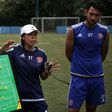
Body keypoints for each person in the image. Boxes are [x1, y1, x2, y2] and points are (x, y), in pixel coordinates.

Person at [0, 24, 60, 112]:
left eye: (35, 35)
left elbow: (43, 77)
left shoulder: (41, 54)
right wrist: (1, 50)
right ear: (23, 37)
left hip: (36, 96)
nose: (33, 37)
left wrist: (47, 72)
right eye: (30, 35)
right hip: (18, 98)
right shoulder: (15, 50)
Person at [65, 1, 109, 112]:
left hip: (96, 78)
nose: (93, 17)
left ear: (100, 16)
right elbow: (68, 53)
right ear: (86, 12)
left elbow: (103, 54)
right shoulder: (73, 30)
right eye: (91, 14)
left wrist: (94, 64)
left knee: (91, 109)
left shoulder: (104, 31)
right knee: (73, 110)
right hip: (78, 77)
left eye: (96, 15)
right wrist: (79, 64)